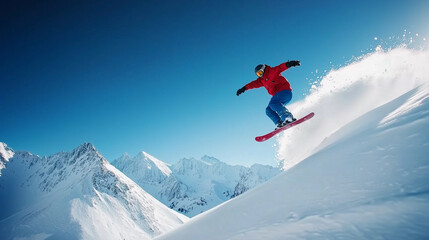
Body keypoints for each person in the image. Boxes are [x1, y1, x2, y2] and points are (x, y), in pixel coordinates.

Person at [236, 60, 301, 130]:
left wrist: (289, 64)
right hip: (277, 97)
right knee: (268, 110)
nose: (260, 75)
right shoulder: (262, 80)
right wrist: (244, 88)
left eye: (260, 72)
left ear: (263, 69)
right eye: (258, 74)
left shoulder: (272, 71)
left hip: (285, 92)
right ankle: (279, 123)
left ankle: (288, 117)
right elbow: (253, 84)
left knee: (273, 103)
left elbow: (280, 68)